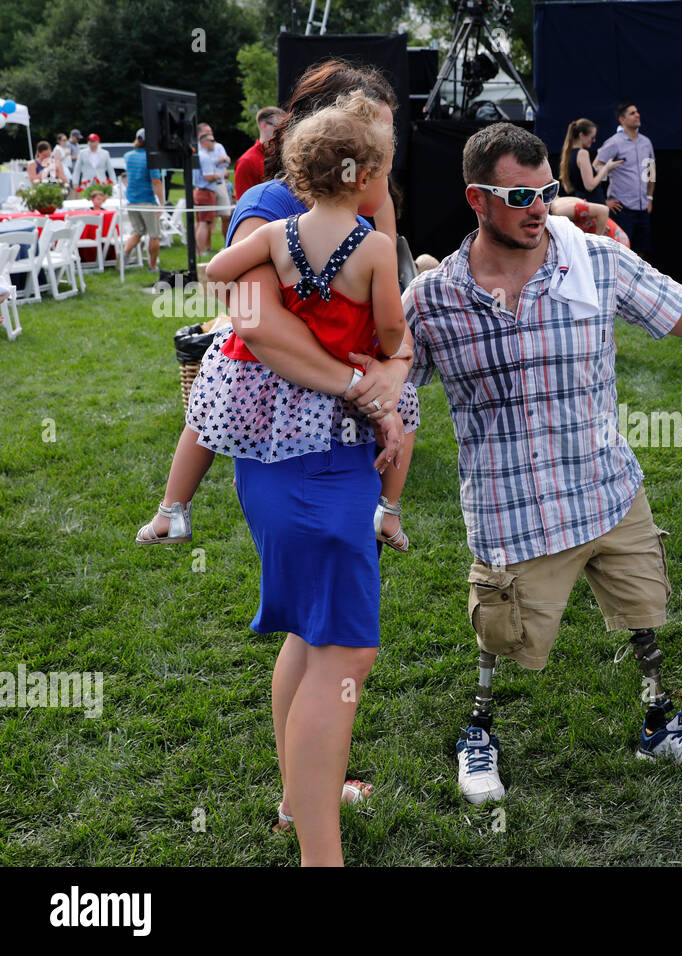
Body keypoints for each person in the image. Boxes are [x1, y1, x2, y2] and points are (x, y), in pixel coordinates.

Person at [402, 122, 682, 804]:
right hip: (511, 507)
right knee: (498, 630)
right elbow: (387, 389)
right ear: (476, 199)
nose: (537, 207)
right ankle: (478, 732)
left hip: (607, 488)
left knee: (645, 613)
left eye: (546, 190)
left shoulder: (592, 263)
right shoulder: (433, 300)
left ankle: (659, 722)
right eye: (518, 196)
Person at [191, 63, 417, 866]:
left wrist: (387, 371)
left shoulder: (316, 226)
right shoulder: (277, 210)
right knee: (346, 649)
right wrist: (368, 378)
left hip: (306, 455)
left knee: (312, 634)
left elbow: (218, 283)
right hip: (315, 456)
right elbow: (254, 327)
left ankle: (300, 797)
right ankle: (322, 856)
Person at [136, 69, 418, 557]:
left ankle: (173, 509)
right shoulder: (280, 210)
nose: (388, 161)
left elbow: (217, 271)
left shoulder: (283, 231)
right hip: (302, 405)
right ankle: (388, 512)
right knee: (403, 419)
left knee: (202, 422)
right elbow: (385, 321)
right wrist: (387, 367)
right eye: (382, 152)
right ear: (362, 166)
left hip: (287, 397)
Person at [595, 103, 655, 257]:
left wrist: (649, 197)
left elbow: (651, 171)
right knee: (621, 251)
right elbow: (596, 167)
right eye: (632, 113)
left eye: (637, 112)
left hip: (642, 207)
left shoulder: (646, 142)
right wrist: (603, 201)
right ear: (622, 120)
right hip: (622, 209)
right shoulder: (614, 142)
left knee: (642, 251)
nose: (637, 115)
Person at [121, 129, 164, 272]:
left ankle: (123, 257)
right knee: (154, 235)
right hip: (147, 201)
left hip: (132, 200)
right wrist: (162, 204)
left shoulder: (128, 156)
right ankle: (152, 266)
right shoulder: (151, 158)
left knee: (137, 232)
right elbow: (156, 182)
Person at [558, 117, 622, 203]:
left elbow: (568, 188)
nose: (594, 140)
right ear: (581, 135)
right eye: (592, 137)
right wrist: (606, 168)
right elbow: (590, 186)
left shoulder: (568, 154)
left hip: (581, 205)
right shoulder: (582, 153)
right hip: (592, 205)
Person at [234, 106, 285, 198]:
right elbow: (244, 203)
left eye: (285, 127)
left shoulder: (283, 156)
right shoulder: (247, 161)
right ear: (264, 125)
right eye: (279, 127)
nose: (283, 132)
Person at [549, 195, 631, 246]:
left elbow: (603, 210)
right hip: (608, 238)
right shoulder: (556, 206)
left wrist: (597, 242)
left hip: (613, 238)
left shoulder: (558, 210)